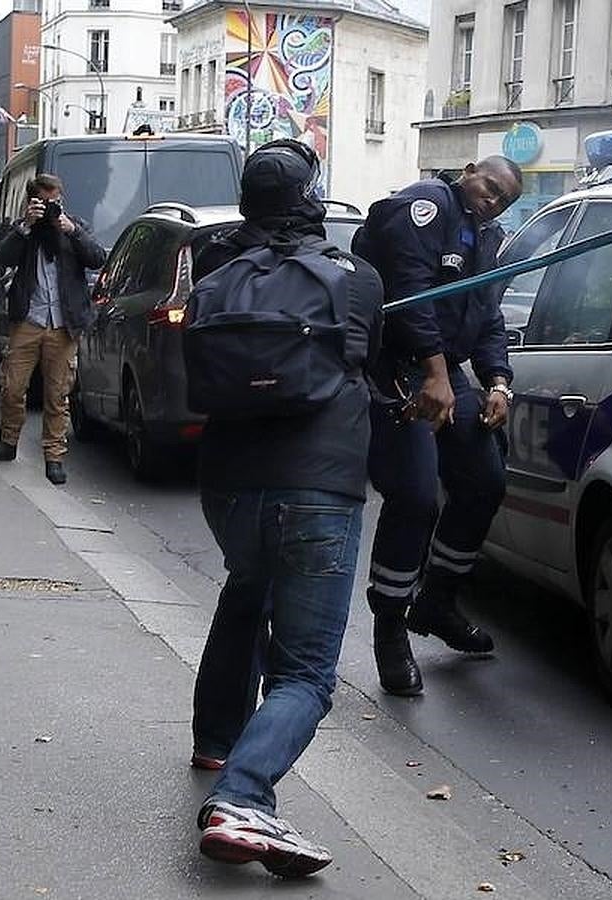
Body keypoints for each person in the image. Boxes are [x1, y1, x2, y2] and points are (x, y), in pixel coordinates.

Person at [190, 140, 384, 877]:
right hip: (320, 486)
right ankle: (245, 797)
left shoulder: (216, 271)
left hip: (229, 485)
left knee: (246, 589)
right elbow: (373, 359)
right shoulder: (356, 278)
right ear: (313, 199)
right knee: (305, 672)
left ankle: (218, 738)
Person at [352, 156, 523, 696]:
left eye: (503, 199)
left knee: (485, 480)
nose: (492, 200)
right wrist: (432, 372)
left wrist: (497, 381)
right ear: (468, 172)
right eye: (489, 187)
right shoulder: (425, 207)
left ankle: (437, 601)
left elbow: (488, 315)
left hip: (447, 371)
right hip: (401, 370)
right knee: (416, 497)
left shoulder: (486, 237)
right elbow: (409, 294)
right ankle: (389, 629)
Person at [0, 174, 105, 484]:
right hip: (29, 319)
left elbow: (97, 258)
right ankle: (8, 441)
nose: (52, 207)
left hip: (63, 323)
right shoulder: (23, 231)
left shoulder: (73, 226)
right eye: (45, 201)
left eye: (56, 200)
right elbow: (2, 258)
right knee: (12, 387)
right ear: (33, 201)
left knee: (57, 394)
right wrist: (25, 226)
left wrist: (72, 230)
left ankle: (54, 456)